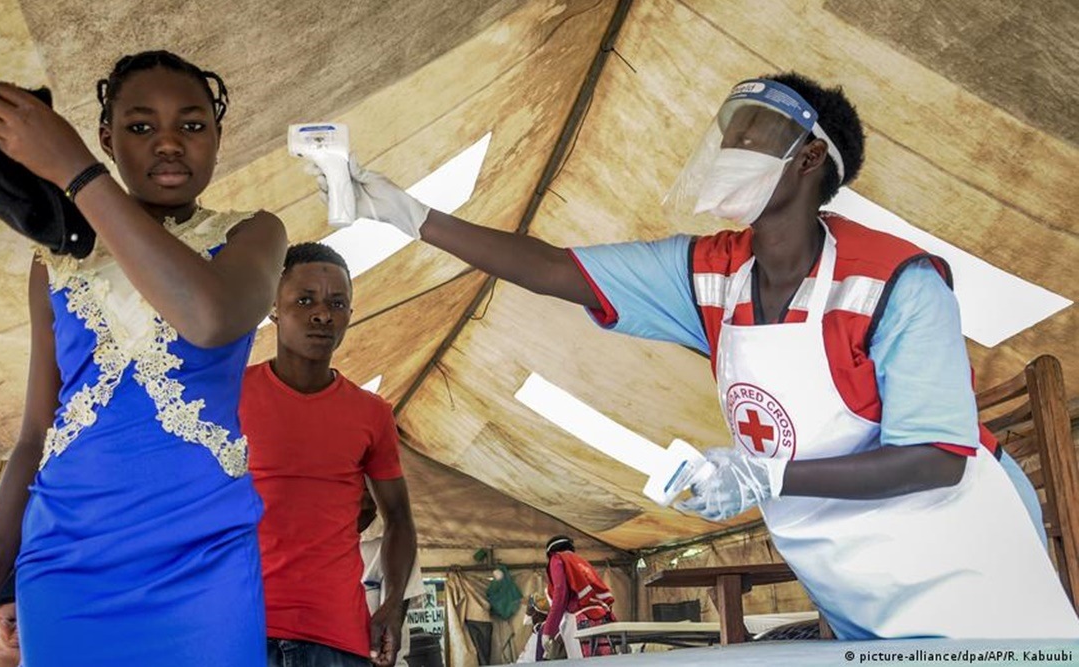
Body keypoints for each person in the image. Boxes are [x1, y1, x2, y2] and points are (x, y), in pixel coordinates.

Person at [314, 72, 1079, 639]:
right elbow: (556, 268)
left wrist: (766, 473)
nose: (726, 148)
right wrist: (409, 215)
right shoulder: (713, 272)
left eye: (749, 133)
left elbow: (936, 458)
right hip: (856, 585)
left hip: (965, 564)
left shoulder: (896, 283)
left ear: (810, 157)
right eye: (729, 132)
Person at [0, 50, 287, 667]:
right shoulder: (53, 262)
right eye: (139, 127)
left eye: (191, 125)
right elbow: (32, 436)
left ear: (217, 138)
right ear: (108, 137)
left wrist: (76, 173)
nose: (168, 144)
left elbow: (211, 318)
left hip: (202, 556)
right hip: (66, 562)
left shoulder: (253, 235)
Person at [239, 242, 418, 667]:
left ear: (350, 316)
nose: (323, 314)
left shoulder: (372, 414)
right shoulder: (229, 396)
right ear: (273, 309)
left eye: (337, 303)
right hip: (240, 628)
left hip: (339, 640)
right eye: (305, 300)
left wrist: (393, 605)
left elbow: (399, 519)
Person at [358, 487, 426, 667]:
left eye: (369, 485)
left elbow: (395, 615)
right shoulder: (326, 543)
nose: (363, 492)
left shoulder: (398, 542)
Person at [538, 536, 615, 659]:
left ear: (550, 552)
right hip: (602, 619)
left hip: (579, 619)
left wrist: (548, 630)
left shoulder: (557, 558)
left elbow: (560, 595)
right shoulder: (582, 562)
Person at [515, 593, 550, 663]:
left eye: (530, 611)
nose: (528, 614)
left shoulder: (544, 631)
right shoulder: (536, 631)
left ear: (537, 614)